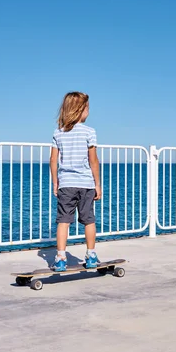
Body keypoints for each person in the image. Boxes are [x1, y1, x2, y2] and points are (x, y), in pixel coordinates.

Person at [49, 91, 101, 271]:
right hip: (86, 184)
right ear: (80, 110)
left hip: (66, 184)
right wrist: (97, 184)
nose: (88, 112)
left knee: (63, 221)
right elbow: (93, 160)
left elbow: (53, 160)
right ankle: (91, 255)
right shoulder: (89, 132)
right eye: (87, 108)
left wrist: (55, 182)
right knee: (88, 220)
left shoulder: (59, 133)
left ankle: (61, 257)